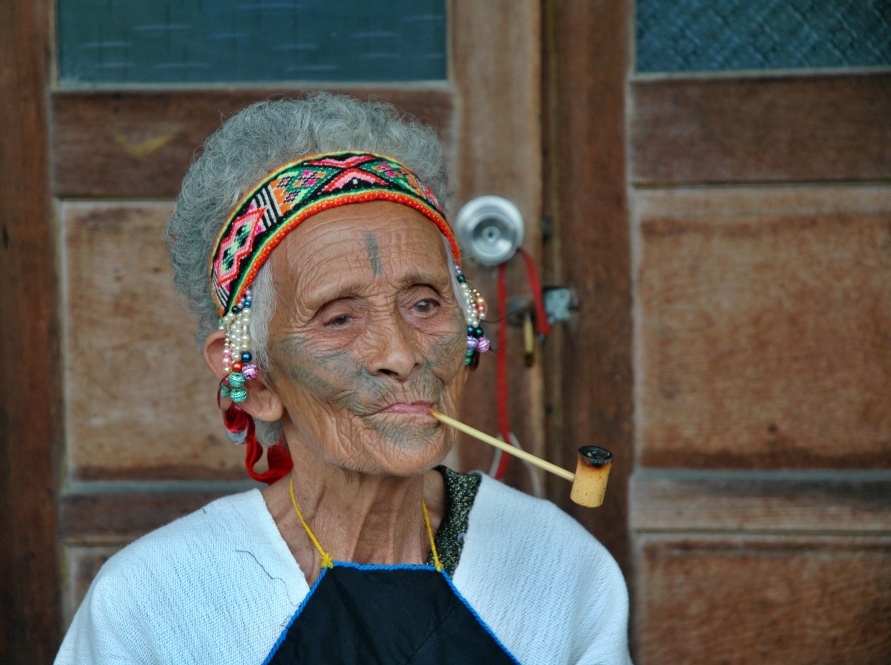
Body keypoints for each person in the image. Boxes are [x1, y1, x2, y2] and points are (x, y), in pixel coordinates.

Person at [55, 93, 631, 664]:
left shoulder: (559, 570)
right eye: (338, 318)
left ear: (470, 324)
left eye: (425, 305)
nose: (400, 355)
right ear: (253, 380)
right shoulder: (155, 605)